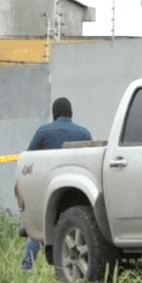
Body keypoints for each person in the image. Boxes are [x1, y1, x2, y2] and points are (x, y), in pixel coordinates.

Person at [21, 97, 92, 271]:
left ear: (54, 113)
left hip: (49, 192)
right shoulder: (83, 133)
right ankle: (72, 268)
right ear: (70, 113)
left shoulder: (43, 132)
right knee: (76, 231)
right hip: (77, 193)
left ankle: (26, 267)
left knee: (37, 232)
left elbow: (29, 160)